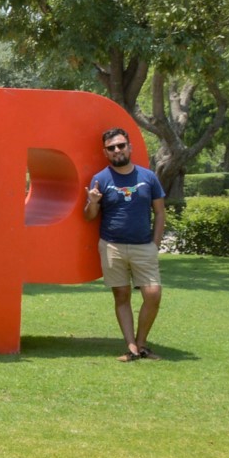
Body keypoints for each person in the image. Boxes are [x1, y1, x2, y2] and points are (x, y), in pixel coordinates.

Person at [83, 128, 167, 362]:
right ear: (105, 152)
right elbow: (89, 216)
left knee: (152, 294)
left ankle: (142, 343)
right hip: (112, 246)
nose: (117, 150)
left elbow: (160, 212)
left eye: (121, 145)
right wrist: (92, 202)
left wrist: (155, 244)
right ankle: (131, 346)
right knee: (122, 296)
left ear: (130, 147)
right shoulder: (101, 179)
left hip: (143, 246)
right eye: (111, 148)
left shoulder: (148, 177)